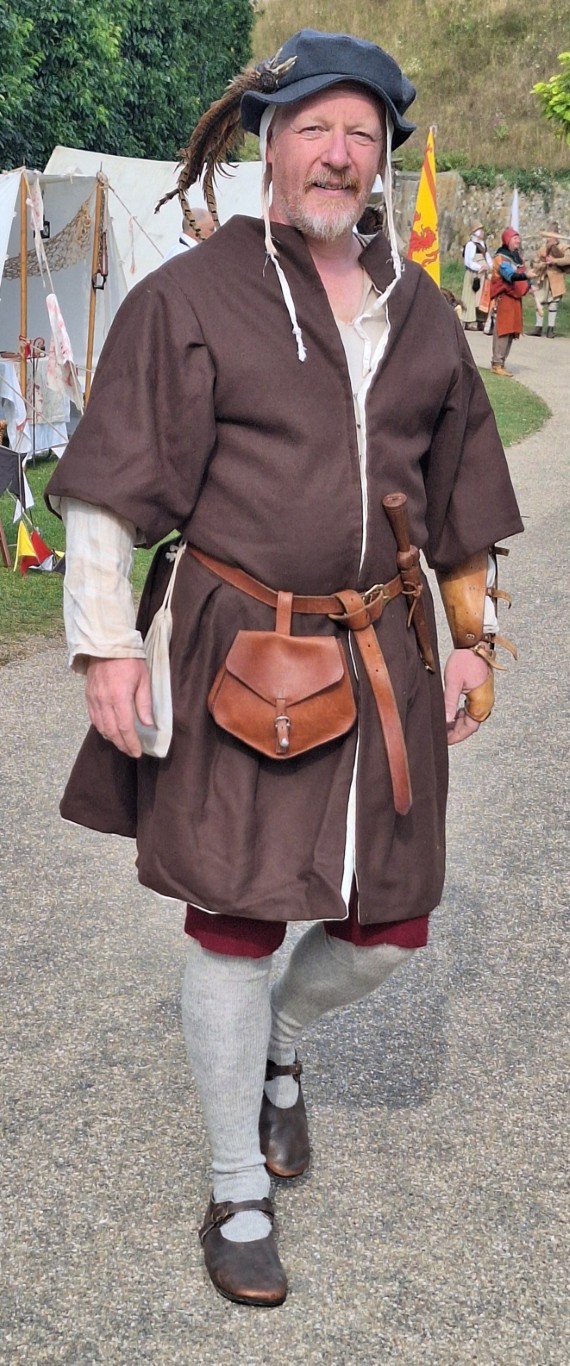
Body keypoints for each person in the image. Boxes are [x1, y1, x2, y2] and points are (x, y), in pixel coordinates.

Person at [46, 29, 523, 1308]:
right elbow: (108, 488)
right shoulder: (190, 299)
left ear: (384, 160)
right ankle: (234, 1189)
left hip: (383, 655)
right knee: (237, 919)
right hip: (241, 653)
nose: (339, 153)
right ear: (271, 144)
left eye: (362, 134)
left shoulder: (422, 310)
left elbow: (464, 499)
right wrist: (105, 645)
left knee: (392, 925)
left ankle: (281, 1047)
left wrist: (474, 643)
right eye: (315, 127)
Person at [490, 227, 534, 376]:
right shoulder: (501, 258)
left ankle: (501, 363)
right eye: (515, 238)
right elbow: (509, 275)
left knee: (511, 332)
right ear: (507, 240)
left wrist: (529, 285)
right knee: (504, 330)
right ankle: (497, 363)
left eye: (518, 238)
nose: (518, 241)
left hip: (515, 298)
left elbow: (521, 274)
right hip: (505, 298)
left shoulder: (517, 257)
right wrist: (526, 276)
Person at [530, 224, 570, 337]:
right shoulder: (543, 248)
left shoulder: (563, 247)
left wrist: (554, 260)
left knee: (554, 303)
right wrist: (540, 265)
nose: (549, 238)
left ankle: (550, 329)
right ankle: (538, 327)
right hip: (543, 277)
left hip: (556, 277)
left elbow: (568, 259)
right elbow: (535, 261)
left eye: (551, 236)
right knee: (540, 300)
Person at [460, 223, 492, 331]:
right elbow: (468, 261)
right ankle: (468, 321)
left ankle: (480, 320)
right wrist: (479, 267)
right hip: (473, 274)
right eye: (480, 230)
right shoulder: (470, 245)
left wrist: (490, 267)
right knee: (470, 297)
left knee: (482, 297)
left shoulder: (483, 244)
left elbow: (488, 258)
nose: (482, 232)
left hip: (483, 274)